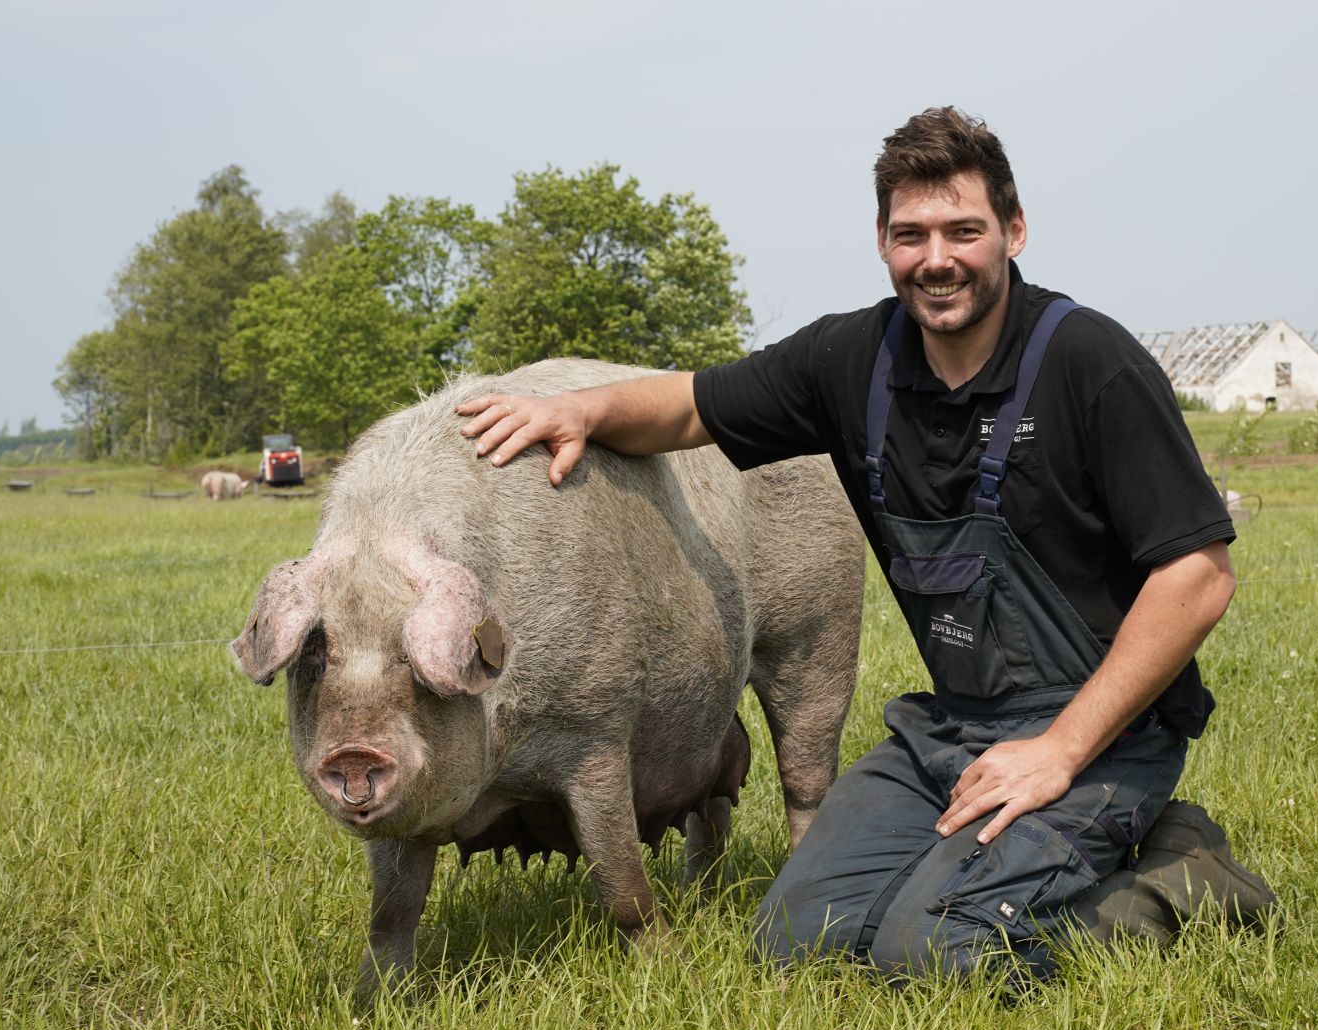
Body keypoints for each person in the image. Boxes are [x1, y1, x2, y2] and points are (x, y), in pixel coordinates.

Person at [457, 107, 1274, 979]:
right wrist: (581, 408)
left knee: (939, 954)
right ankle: (985, 869)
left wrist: (1060, 752)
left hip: (1104, 736)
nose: (937, 259)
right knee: (796, 943)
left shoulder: (1090, 363)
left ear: (1015, 230)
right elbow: (694, 406)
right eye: (911, 234)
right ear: (883, 241)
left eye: (964, 230)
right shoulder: (855, 359)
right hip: (957, 728)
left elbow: (1198, 576)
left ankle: (1180, 871)